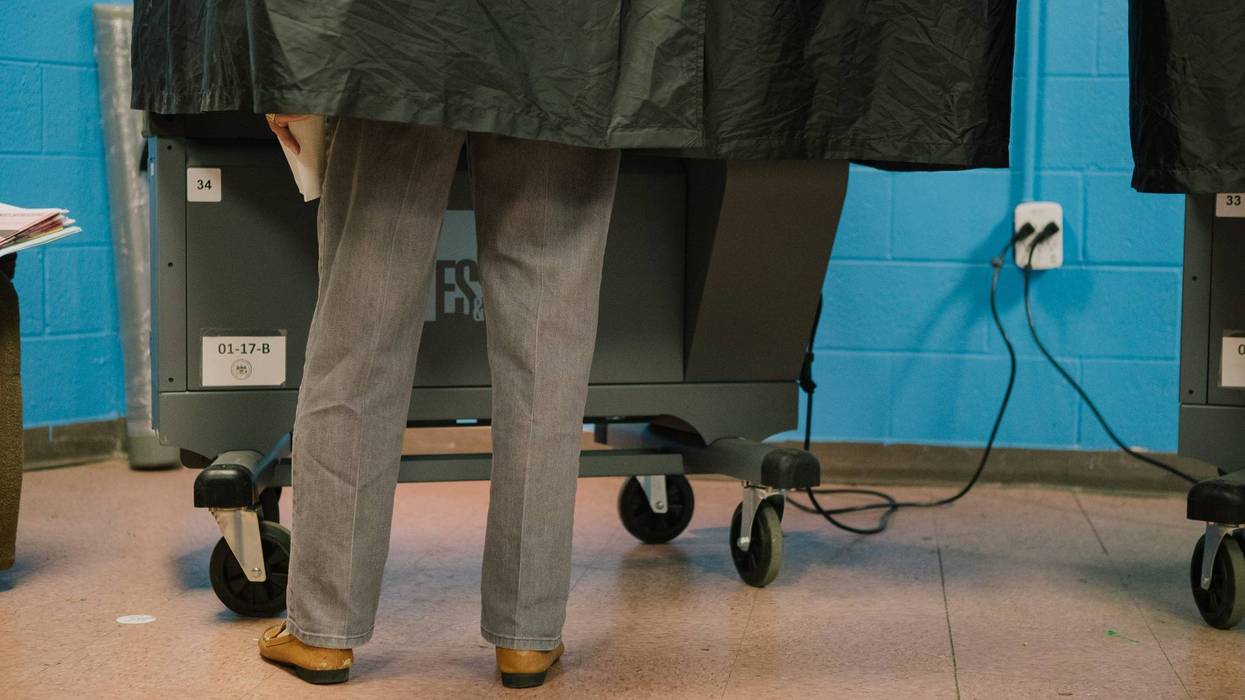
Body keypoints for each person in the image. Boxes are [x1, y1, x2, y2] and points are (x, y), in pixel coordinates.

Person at [255, 114, 620, 688]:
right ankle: (527, 636)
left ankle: (323, 632)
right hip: (564, 54)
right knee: (547, 343)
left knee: (361, 327)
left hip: (402, 48)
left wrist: (296, 79)